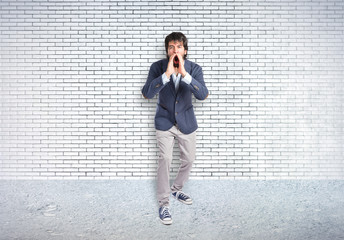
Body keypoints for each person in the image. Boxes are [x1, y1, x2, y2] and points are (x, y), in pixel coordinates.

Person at [141, 32, 209, 225]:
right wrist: (167, 75)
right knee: (166, 159)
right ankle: (164, 204)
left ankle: (176, 189)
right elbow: (146, 93)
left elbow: (203, 95)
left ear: (185, 51)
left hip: (187, 122)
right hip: (164, 122)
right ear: (167, 51)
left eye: (178, 47)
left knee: (189, 159)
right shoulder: (157, 68)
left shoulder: (195, 69)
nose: (175, 50)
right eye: (171, 47)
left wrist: (185, 75)